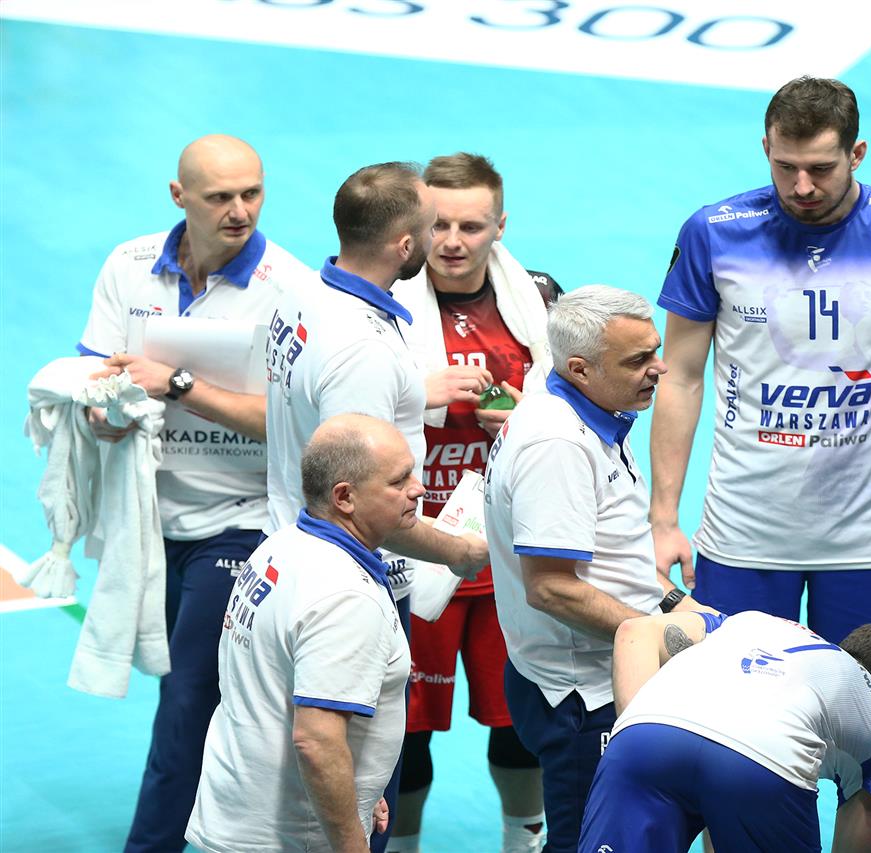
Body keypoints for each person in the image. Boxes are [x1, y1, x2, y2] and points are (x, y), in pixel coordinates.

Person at [649, 75, 871, 849]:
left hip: (870, 539)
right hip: (743, 532)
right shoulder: (713, 233)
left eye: (822, 168)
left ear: (857, 152)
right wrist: (664, 516)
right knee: (726, 720)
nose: (802, 186)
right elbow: (682, 377)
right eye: (786, 166)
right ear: (765, 148)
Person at [74, 134, 311, 852]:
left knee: (187, 700)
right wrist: (106, 412)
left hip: (243, 524)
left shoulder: (290, 288)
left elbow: (296, 421)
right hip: (150, 519)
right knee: (188, 695)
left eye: (252, 193)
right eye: (220, 197)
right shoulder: (127, 265)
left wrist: (178, 385)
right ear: (179, 196)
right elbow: (92, 381)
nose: (240, 211)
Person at [263, 161, 488, 847]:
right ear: (404, 244)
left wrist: (412, 387)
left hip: (292, 555)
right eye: (430, 227)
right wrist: (458, 550)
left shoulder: (304, 294)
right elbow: (361, 505)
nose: (440, 239)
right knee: (354, 795)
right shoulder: (361, 348)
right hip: (353, 582)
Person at [484, 285, 702, 853]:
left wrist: (684, 607)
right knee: (591, 841)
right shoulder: (557, 445)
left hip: (602, 670)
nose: (658, 369)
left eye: (655, 351)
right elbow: (552, 589)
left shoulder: (594, 408)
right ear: (579, 368)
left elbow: (615, 553)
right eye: (637, 360)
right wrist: (662, 636)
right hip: (584, 694)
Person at [385, 153, 559, 853]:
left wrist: (526, 417)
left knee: (521, 722)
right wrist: (415, 393)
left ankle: (524, 842)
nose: (452, 241)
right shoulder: (381, 302)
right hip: (412, 550)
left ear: (500, 226)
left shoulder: (538, 301)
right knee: (404, 730)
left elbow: (583, 409)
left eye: (471, 226)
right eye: (439, 225)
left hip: (507, 558)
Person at [186, 414, 421, 852]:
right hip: (298, 835)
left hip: (243, 812)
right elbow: (317, 743)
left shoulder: (281, 547)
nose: (418, 488)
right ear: (345, 497)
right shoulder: (344, 596)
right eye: (399, 480)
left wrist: (358, 788)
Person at [578, 612, 871, 853]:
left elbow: (633, 631)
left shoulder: (744, 622)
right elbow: (861, 834)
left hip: (645, 733)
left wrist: (638, 737)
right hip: (762, 762)